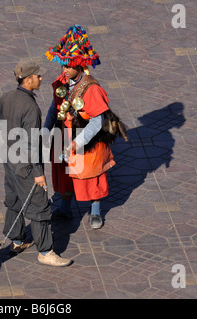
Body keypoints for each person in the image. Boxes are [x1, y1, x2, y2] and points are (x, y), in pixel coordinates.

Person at [0, 60, 72, 267]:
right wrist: (38, 173)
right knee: (40, 206)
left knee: (15, 199)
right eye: (37, 76)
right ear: (27, 80)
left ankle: (17, 240)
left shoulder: (7, 96)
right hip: (26, 164)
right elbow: (33, 144)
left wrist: (9, 133)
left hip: (9, 158)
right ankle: (45, 251)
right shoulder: (31, 108)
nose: (41, 78)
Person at [44, 25, 115, 229]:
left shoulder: (91, 89)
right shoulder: (63, 82)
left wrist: (77, 143)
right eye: (62, 65)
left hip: (86, 139)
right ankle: (65, 208)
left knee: (92, 175)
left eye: (68, 66)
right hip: (63, 135)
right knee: (65, 174)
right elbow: (53, 107)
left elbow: (97, 120)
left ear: (79, 65)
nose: (63, 70)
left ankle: (95, 210)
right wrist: (45, 130)